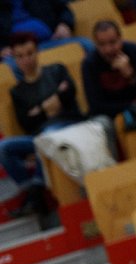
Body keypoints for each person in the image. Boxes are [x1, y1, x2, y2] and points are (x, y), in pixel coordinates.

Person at [0, 33, 82, 216]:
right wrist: (51, 103)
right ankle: (30, 189)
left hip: (67, 126)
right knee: (3, 148)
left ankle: (36, 194)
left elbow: (69, 95)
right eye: (20, 56)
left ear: (37, 52)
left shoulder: (57, 70)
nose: (26, 60)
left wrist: (38, 110)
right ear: (14, 60)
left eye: (30, 53)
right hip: (38, 137)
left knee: (46, 136)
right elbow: (26, 123)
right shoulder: (17, 91)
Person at [82, 20, 136, 123]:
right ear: (96, 45)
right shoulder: (90, 63)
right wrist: (131, 106)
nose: (108, 50)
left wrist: (131, 75)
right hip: (111, 116)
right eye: (102, 44)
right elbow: (96, 106)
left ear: (120, 39)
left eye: (112, 42)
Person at [0, 0, 94, 76]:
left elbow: (64, 10)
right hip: (18, 54)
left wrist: (65, 24)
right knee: (9, 67)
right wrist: (1, 49)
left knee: (87, 45)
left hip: (51, 41)